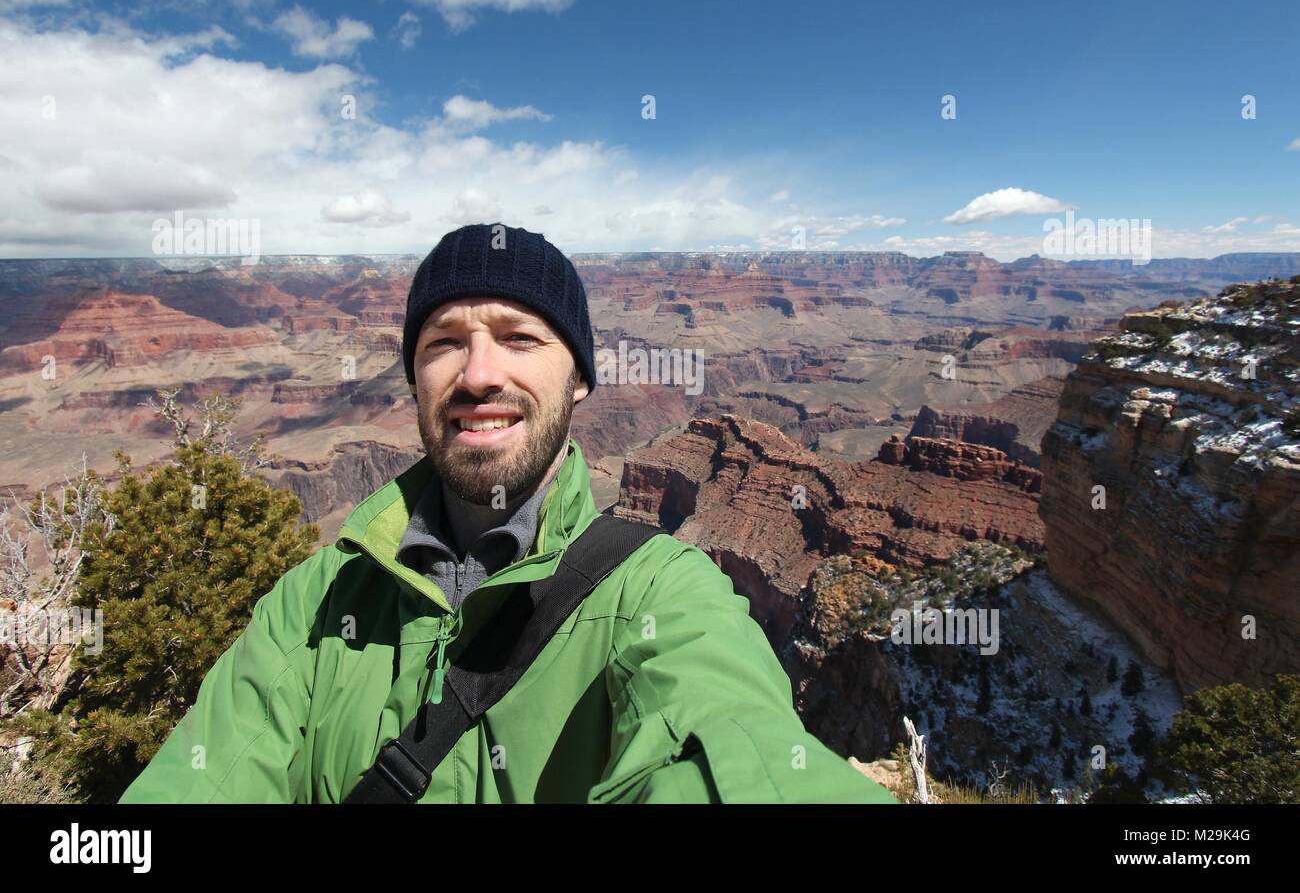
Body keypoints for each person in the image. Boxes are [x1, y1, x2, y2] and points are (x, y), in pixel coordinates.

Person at [119, 223, 895, 803]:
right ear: (415, 377)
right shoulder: (317, 601)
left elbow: (734, 745)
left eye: (520, 338)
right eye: (443, 343)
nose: (479, 374)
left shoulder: (660, 596)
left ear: (581, 380)